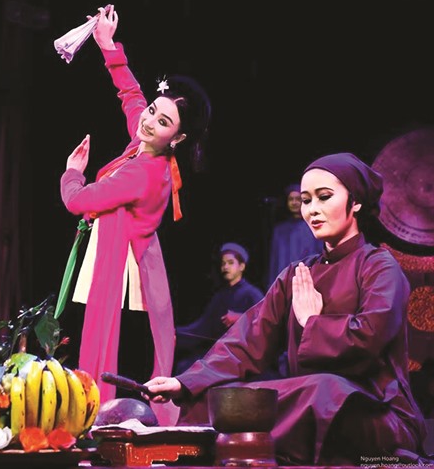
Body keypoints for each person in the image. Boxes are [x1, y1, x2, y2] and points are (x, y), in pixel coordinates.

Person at [143, 152, 430, 465]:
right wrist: (186, 382)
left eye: (324, 197)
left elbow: (370, 338)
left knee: (325, 390)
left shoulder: (380, 267)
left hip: (375, 411)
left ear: (356, 202)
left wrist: (313, 322)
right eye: (306, 200)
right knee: (225, 396)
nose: (312, 209)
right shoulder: (298, 273)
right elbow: (247, 340)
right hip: (309, 400)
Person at [59, 4, 211, 425]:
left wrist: (72, 173)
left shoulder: (144, 172)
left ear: (177, 137)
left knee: (114, 358)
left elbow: (79, 201)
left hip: (121, 277)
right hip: (115, 261)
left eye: (162, 121)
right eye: (153, 111)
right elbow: (132, 97)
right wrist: (108, 46)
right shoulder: (144, 147)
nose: (148, 121)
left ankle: (102, 424)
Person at [174, 242, 264, 375]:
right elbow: (201, 327)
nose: (225, 266)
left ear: (242, 266)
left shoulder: (252, 294)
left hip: (244, 357)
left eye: (230, 262)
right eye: (223, 263)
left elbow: (265, 321)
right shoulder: (220, 296)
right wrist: (176, 333)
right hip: (221, 353)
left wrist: (241, 318)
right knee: (185, 367)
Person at [266, 182, 323, 288]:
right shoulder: (280, 230)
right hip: (284, 281)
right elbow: (274, 260)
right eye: (291, 199)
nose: (294, 202)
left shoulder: (313, 226)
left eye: (298, 199)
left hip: (308, 280)